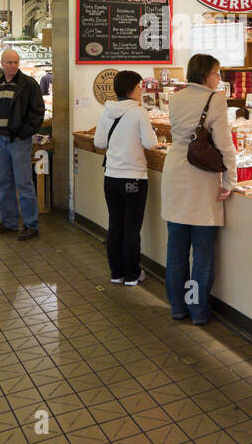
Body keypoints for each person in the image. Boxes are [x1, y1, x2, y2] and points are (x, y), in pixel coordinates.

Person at [162, 54, 236, 326]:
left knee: (176, 249)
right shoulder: (215, 99)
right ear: (206, 75)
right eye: (217, 73)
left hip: (175, 174)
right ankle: (198, 310)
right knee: (202, 252)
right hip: (201, 180)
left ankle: (178, 307)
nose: (220, 79)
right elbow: (225, 144)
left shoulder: (176, 98)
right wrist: (230, 180)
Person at [95, 70, 156, 286]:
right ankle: (132, 274)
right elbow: (151, 144)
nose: (141, 90)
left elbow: (99, 142)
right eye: (139, 86)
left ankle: (116, 272)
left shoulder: (106, 111)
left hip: (111, 176)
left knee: (115, 225)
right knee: (131, 227)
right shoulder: (139, 113)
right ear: (131, 89)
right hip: (134, 178)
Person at [0, 50, 45, 241]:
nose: (13, 66)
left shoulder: (28, 84)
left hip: (18, 140)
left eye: (16, 62)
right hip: (0, 139)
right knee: (4, 182)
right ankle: (8, 222)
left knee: (23, 182)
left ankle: (31, 225)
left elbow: (37, 112)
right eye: (9, 62)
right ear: (2, 63)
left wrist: (23, 133)